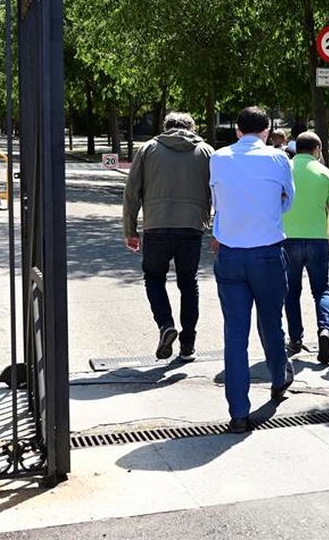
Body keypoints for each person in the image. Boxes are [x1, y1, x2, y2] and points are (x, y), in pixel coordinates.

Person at [210, 106, 295, 433]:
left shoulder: (218, 158)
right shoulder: (278, 159)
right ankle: (278, 377)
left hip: (230, 254)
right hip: (267, 253)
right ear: (267, 129)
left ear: (236, 131)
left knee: (235, 333)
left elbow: (216, 199)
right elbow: (288, 201)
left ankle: (238, 412)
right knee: (271, 322)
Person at [122, 112, 213, 363]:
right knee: (188, 283)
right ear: (192, 128)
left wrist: (130, 230)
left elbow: (132, 192)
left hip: (156, 226)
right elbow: (218, 190)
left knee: (154, 278)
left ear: (166, 127)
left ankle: (165, 324)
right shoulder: (206, 151)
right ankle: (188, 344)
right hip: (192, 227)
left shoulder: (149, 148)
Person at [282, 131, 329, 364]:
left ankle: (295, 338)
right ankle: (325, 329)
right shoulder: (325, 173)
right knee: (321, 290)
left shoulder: (285, 170)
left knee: (291, 291)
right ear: (317, 150)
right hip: (317, 239)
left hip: (288, 239)